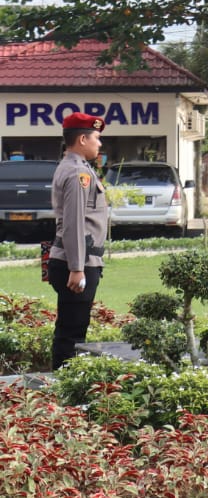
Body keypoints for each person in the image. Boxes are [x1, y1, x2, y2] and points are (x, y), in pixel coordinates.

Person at [47, 112, 109, 369]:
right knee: (73, 333)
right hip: (78, 261)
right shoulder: (77, 174)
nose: (100, 143)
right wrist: (77, 268)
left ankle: (62, 386)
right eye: (97, 137)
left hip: (77, 258)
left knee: (71, 327)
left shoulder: (76, 169)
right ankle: (64, 389)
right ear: (82, 139)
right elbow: (73, 223)